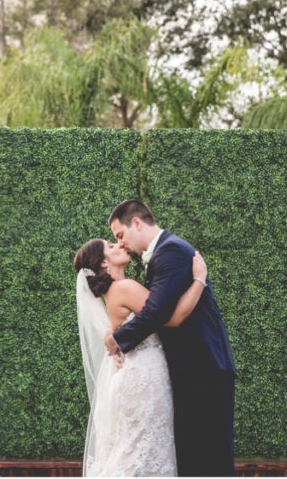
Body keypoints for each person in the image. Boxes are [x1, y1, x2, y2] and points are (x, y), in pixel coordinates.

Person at [104, 199, 236, 476]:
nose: (121, 243)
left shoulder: (171, 251)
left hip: (203, 366)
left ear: (136, 223)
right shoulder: (163, 253)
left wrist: (117, 339)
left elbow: (158, 312)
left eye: (120, 235)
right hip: (193, 368)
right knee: (194, 455)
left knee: (208, 458)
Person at [74, 237, 208, 476]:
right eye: (111, 246)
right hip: (144, 380)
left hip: (137, 377)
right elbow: (172, 318)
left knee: (137, 450)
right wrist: (199, 280)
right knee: (141, 453)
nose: (119, 245)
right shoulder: (125, 288)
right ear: (103, 264)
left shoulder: (114, 292)